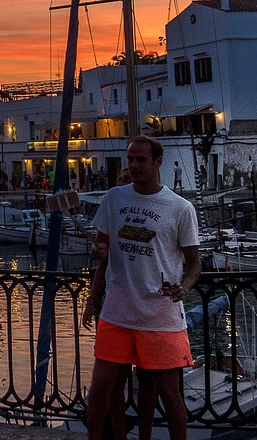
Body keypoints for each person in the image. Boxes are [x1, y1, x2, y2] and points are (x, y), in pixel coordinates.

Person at [84, 136, 201, 440]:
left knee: (169, 395)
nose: (133, 166)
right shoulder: (113, 199)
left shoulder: (180, 208)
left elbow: (194, 264)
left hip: (160, 314)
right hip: (117, 312)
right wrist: (94, 288)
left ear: (158, 162)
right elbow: (103, 249)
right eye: (130, 159)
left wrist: (184, 287)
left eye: (141, 160)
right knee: (99, 392)